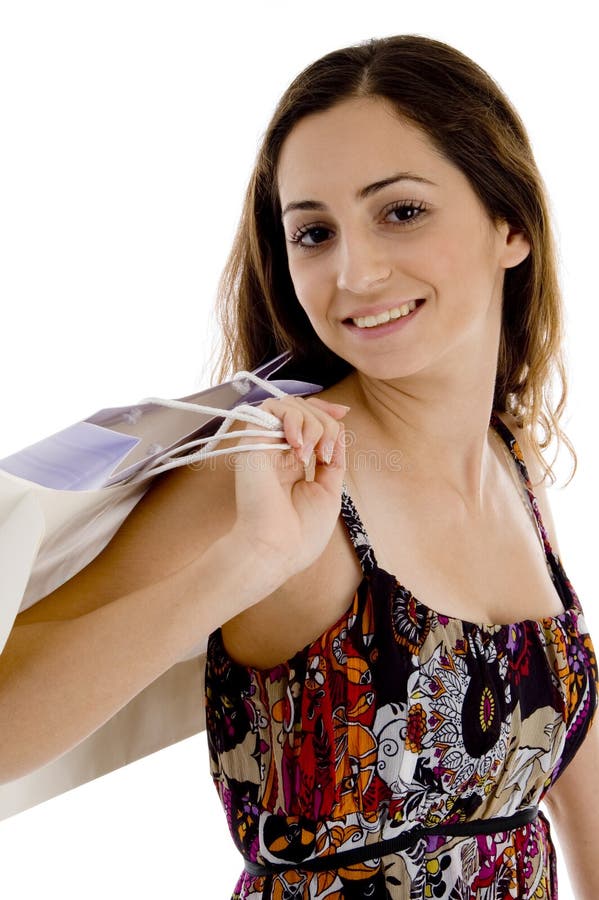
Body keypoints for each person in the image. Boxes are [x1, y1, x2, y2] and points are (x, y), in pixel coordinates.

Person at [0, 32, 596, 899]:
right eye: (313, 232)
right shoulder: (272, 476)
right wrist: (247, 561)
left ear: (510, 225)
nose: (354, 271)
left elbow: (556, 730)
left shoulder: (514, 461)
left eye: (400, 211)